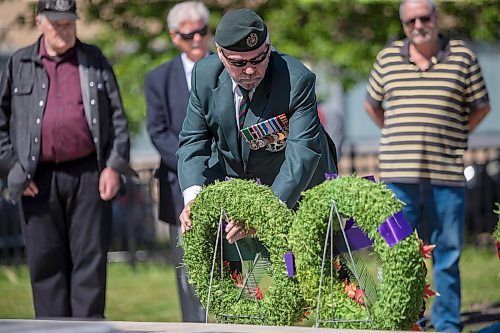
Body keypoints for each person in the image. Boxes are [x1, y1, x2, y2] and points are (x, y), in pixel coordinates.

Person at [0, 0, 132, 318]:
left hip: (88, 173)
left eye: (69, 23)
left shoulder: (93, 59)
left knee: (90, 262)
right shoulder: (19, 62)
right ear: (39, 22)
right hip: (36, 178)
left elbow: (118, 120)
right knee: (46, 263)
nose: (64, 30)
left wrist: (113, 166)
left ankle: (88, 328)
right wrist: (14, 169)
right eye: (56, 23)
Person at [364, 0, 490, 331]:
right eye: (410, 21)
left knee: (446, 255)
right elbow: (371, 105)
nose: (418, 25)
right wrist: (397, 134)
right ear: (403, 25)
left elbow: (481, 106)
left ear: (435, 19)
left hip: (446, 174)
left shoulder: (462, 56)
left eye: (424, 17)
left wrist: (456, 135)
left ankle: (447, 324)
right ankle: (408, 322)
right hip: (397, 175)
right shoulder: (387, 57)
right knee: (400, 253)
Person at [177, 8, 338, 242]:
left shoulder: (297, 80)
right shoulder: (204, 76)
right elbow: (193, 141)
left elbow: (302, 153)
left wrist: (263, 213)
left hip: (296, 191)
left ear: (268, 47)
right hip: (240, 188)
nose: (250, 70)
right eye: (238, 63)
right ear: (221, 55)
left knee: (313, 273)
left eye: (259, 59)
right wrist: (193, 197)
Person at [144, 1, 210, 322]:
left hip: (225, 179)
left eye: (202, 32)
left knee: (231, 267)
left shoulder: (229, 69)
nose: (197, 40)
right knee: (189, 273)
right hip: (178, 187)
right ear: (174, 37)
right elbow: (158, 132)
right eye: (189, 35)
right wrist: (192, 163)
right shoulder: (158, 79)